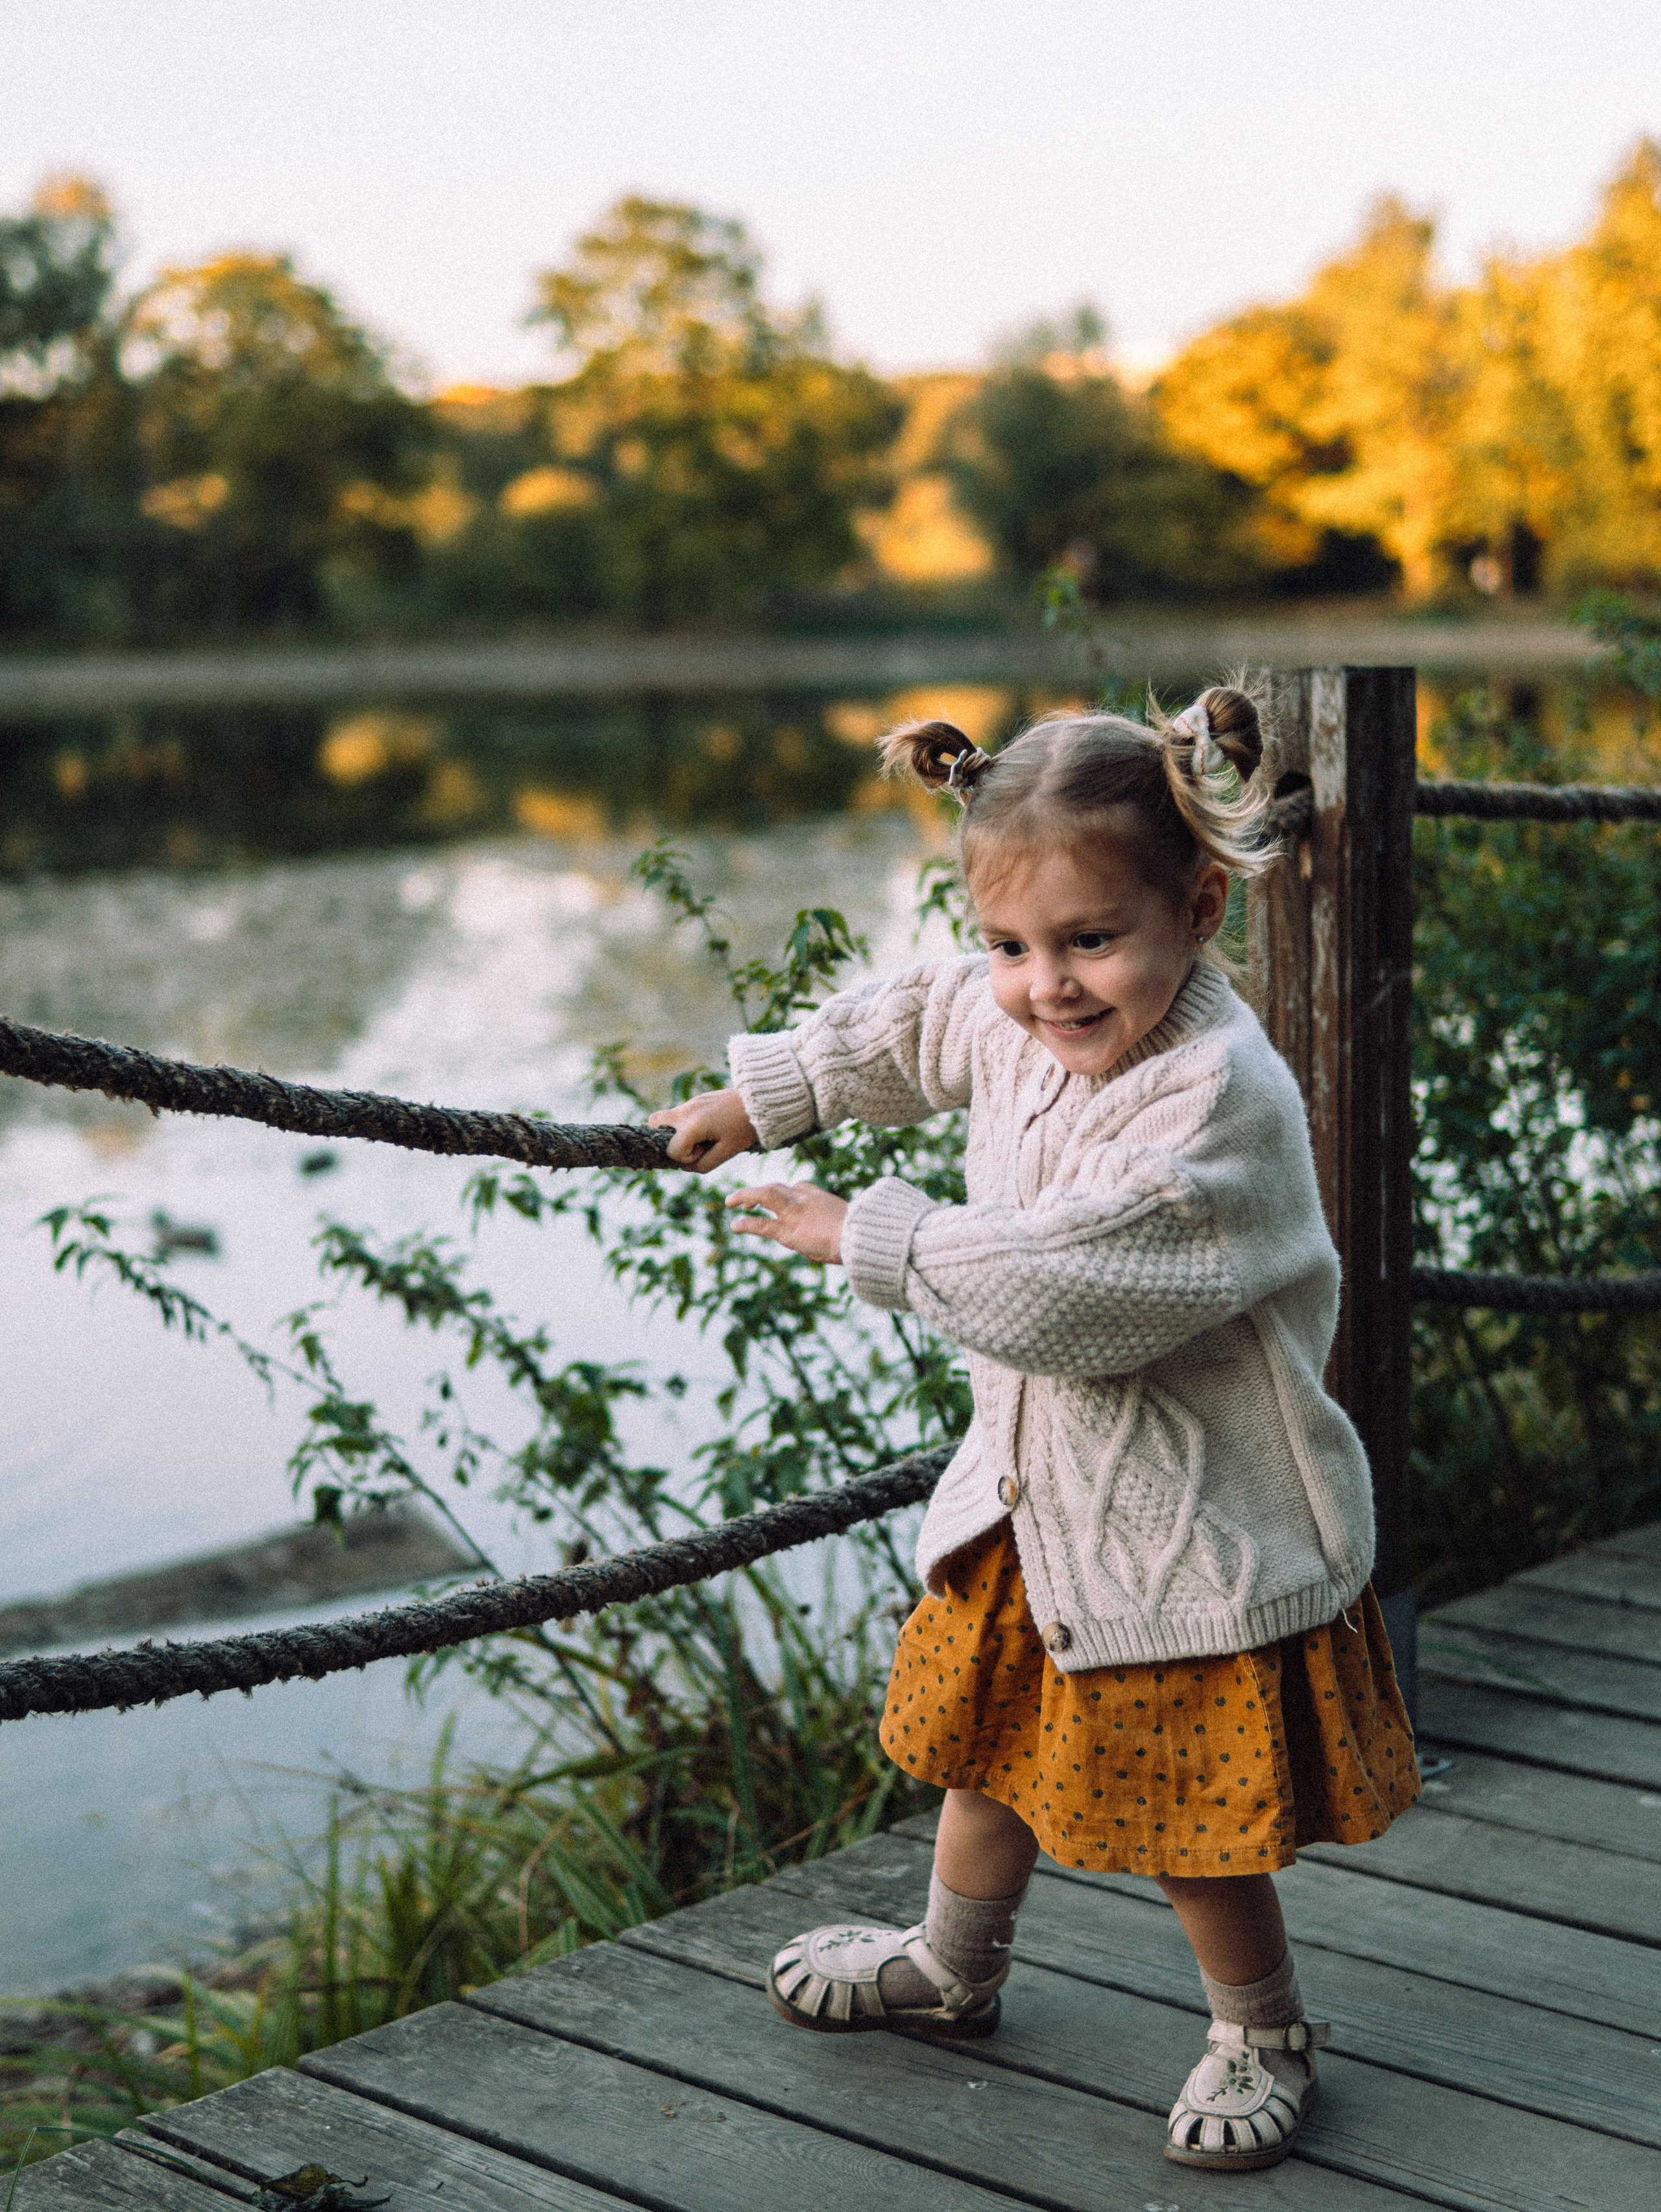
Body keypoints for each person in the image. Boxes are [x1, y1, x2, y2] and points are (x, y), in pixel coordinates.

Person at [649, 689, 1419, 2174]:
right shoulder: (1016, 1012)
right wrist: (770, 1095)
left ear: (1197, 907)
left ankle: (1261, 2027)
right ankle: (953, 1964)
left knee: (1191, 1816)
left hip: (1188, 1529)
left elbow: (1067, 1287)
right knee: (988, 1749)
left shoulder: (1214, 1103)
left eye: (1087, 941)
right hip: (1029, 1500)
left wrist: (862, 1233)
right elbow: (925, 1015)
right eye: (1011, 942)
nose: (1042, 986)